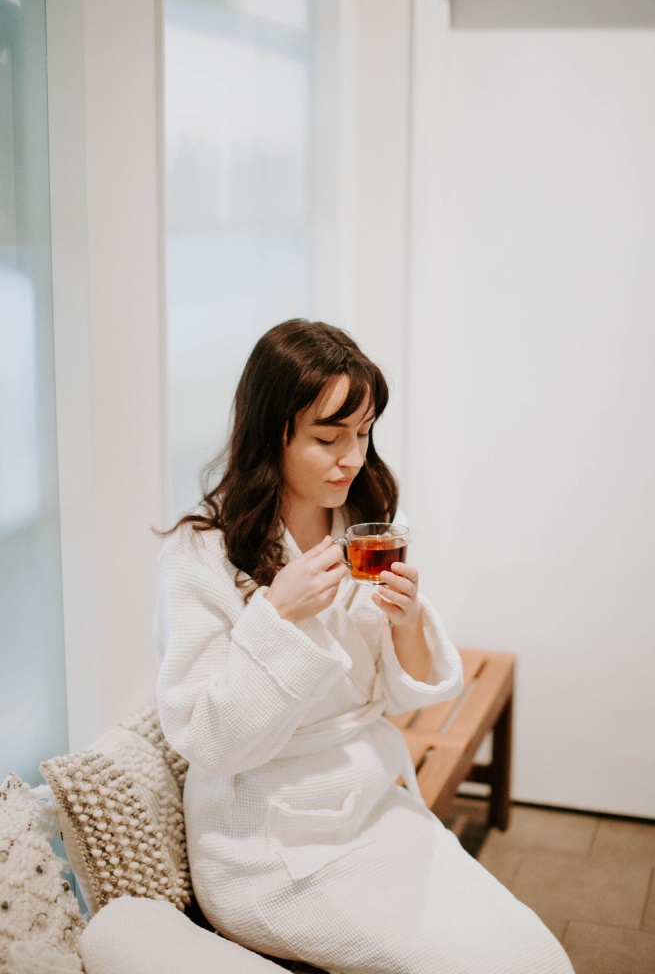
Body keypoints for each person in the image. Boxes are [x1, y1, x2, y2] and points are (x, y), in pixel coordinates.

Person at [154, 319, 574, 974]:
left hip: (372, 800)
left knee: (535, 957)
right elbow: (214, 742)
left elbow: (397, 690)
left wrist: (406, 621)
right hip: (268, 840)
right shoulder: (203, 554)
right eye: (329, 437)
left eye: (363, 432)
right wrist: (276, 615)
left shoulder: (367, 523)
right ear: (273, 432)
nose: (353, 456)